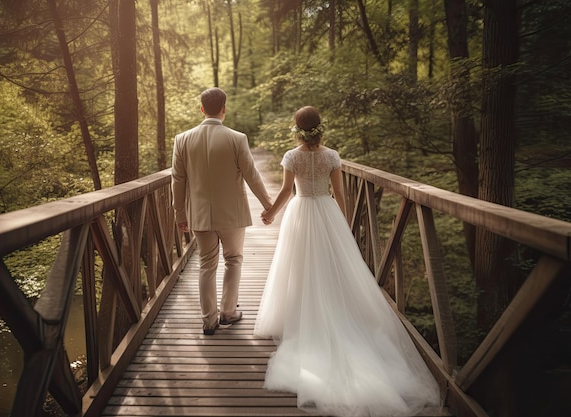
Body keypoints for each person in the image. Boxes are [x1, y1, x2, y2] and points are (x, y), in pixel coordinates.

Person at [255, 106, 441, 416]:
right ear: (320, 127)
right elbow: (340, 192)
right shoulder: (331, 156)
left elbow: (287, 191)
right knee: (330, 266)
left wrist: (271, 213)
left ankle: (302, 313)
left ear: (296, 128)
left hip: (301, 212)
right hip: (326, 211)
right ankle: (335, 310)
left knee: (299, 266)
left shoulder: (291, 156)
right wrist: (342, 224)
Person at [172, 87, 272, 336]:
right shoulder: (237, 138)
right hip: (232, 215)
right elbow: (252, 175)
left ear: (202, 109)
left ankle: (209, 321)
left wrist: (179, 214)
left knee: (206, 264)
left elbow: (178, 180)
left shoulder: (182, 139)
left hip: (199, 214)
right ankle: (228, 312)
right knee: (233, 260)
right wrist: (268, 205)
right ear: (224, 109)